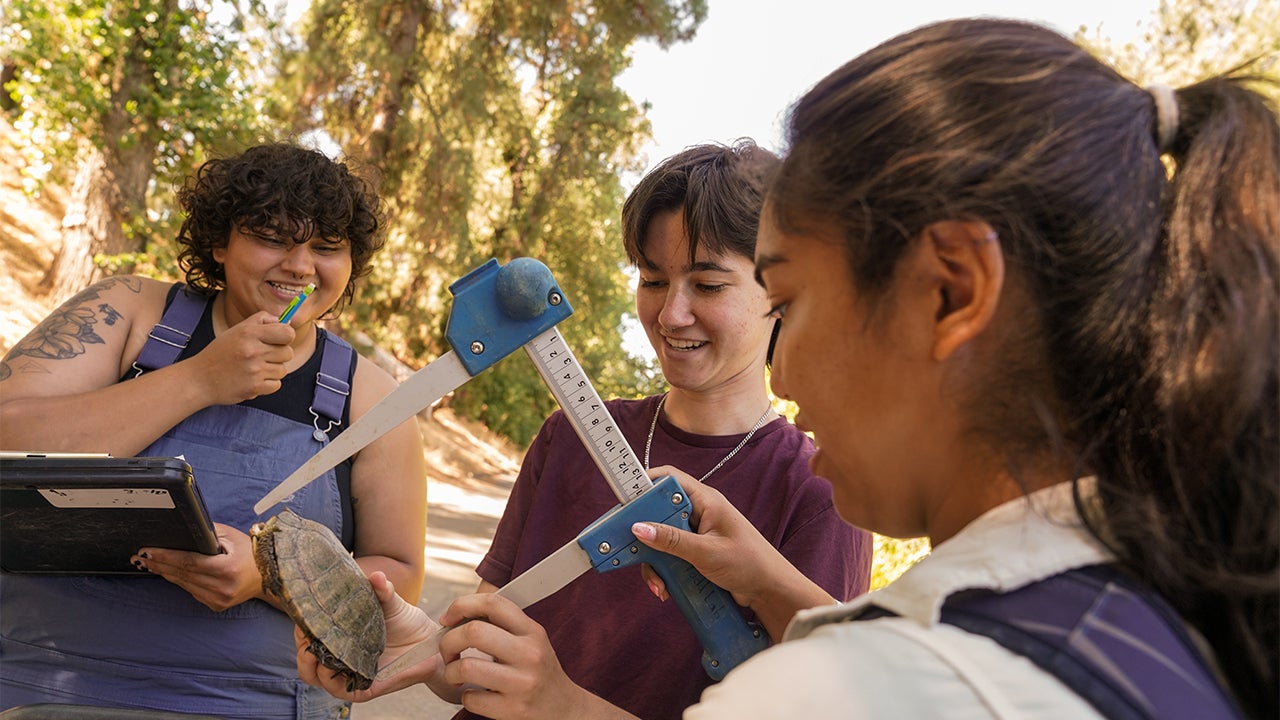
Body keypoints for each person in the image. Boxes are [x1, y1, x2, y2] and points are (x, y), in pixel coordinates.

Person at [304, 17, 1277, 720]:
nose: (787, 359)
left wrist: (561, 708)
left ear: (949, 292)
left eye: (791, 298)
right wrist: (774, 589)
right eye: (650, 279)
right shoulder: (1155, 609)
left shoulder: (874, 688)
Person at [301, 141, 873, 719]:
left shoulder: (819, 491)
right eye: (652, 279)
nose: (672, 314)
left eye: (708, 285)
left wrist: (563, 706)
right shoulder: (568, 433)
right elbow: (489, 666)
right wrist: (423, 643)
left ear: (781, 293)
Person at [0, 142, 428, 720]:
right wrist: (200, 379)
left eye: (326, 247)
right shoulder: (127, 313)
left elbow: (399, 583)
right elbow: (9, 436)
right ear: (220, 242)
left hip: (260, 705)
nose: (301, 266)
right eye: (273, 237)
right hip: (37, 686)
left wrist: (272, 577)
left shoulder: (375, 401)